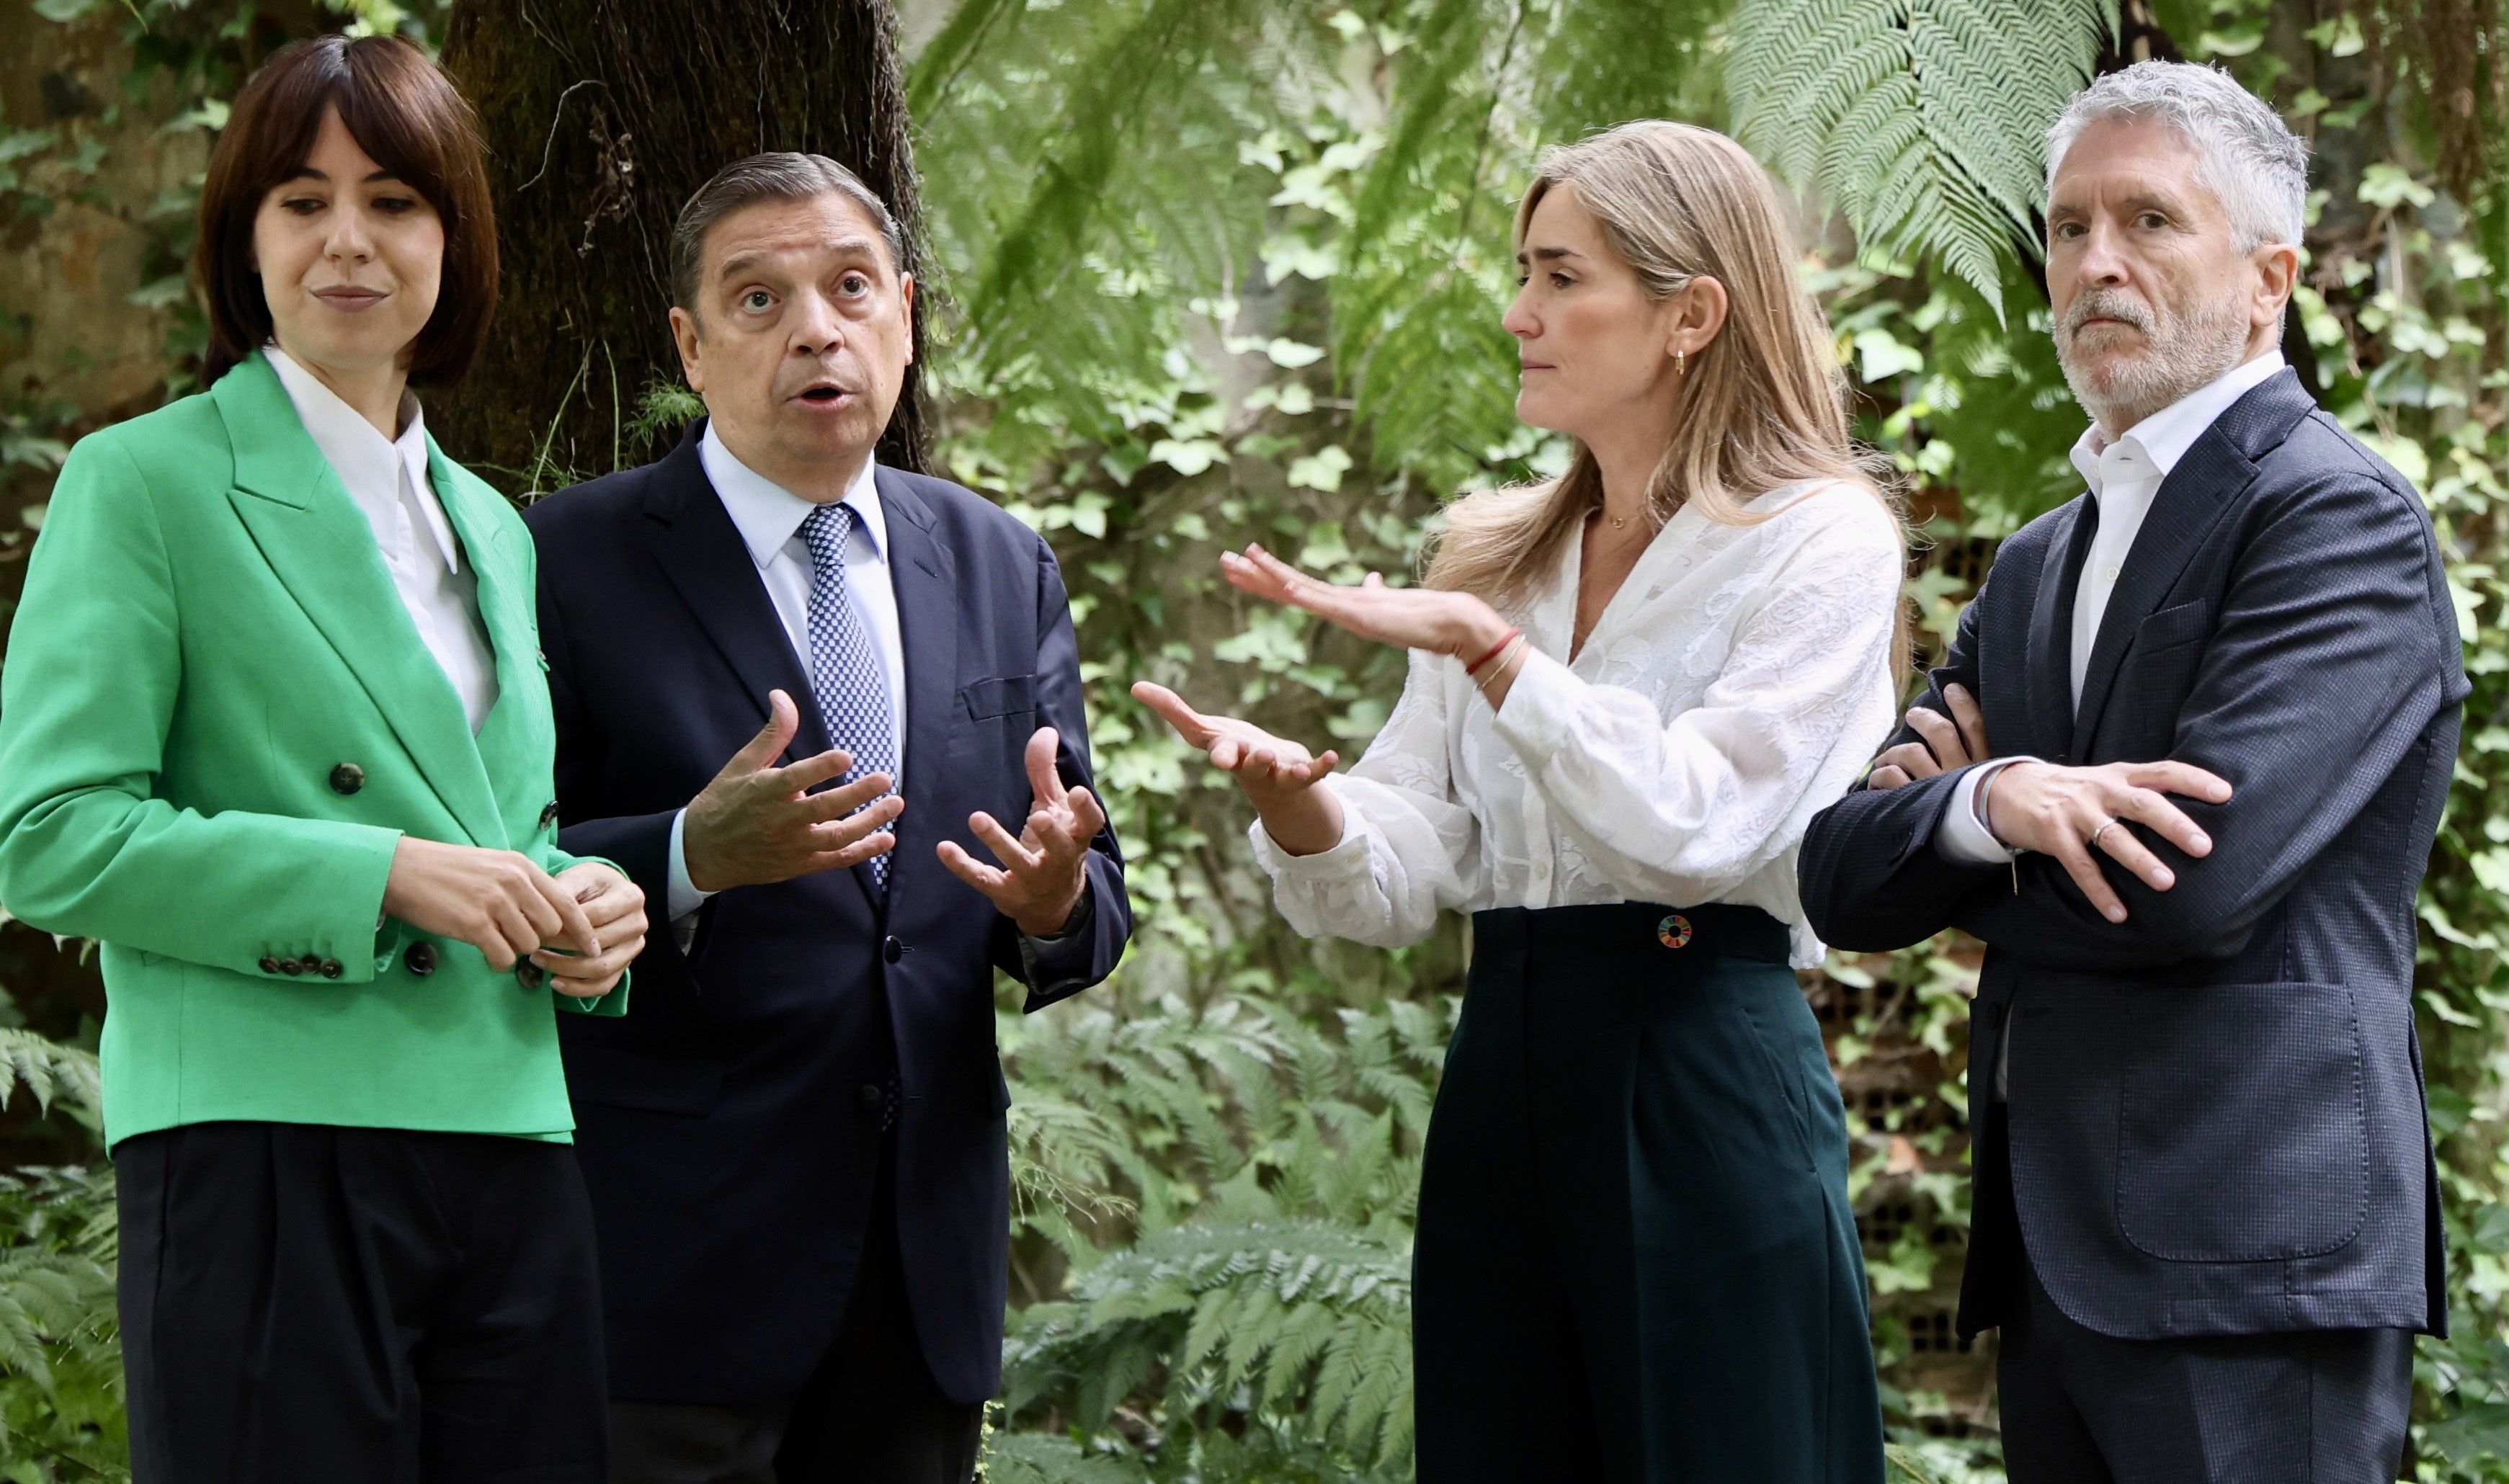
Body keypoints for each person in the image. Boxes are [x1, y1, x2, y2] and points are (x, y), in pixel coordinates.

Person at [1136, 120, 1899, 1483]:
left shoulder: (1820, 537)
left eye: (1559, 277)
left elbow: (1698, 829)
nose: (1517, 314)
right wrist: (1299, 805)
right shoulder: (1492, 550)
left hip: (1702, 1074)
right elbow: (1411, 862)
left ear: (1691, 314)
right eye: (1522, 273)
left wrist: (1497, 659)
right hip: (1502, 1080)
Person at [1799, 61, 2464, 1481]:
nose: (2095, 261)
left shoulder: (2337, 522)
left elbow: (2189, 885)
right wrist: (1996, 800)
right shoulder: (2041, 558)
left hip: (2252, 1261)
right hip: (2054, 1260)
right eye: (2065, 226)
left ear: (2266, 278)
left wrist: (1951, 839)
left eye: (2150, 222)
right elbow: (1841, 877)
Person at [0, 34, 648, 1483]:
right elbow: (48, 834)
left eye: (395, 201)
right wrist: (386, 879)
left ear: (454, 237)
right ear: (244, 238)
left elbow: (485, 824)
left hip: (511, 1133)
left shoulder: (492, 526)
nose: (349, 240)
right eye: (302, 200)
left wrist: (585, 909)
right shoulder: (145, 481)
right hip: (261, 1141)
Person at [523, 153, 1132, 1484]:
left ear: (903, 319)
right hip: (668, 1274)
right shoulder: (560, 562)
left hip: (920, 1272)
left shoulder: (995, 557)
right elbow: (497, 867)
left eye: (852, 289)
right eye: (757, 299)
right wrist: (686, 856)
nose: (815, 328)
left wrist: (1054, 905)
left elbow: (1085, 878)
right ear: (688, 346)